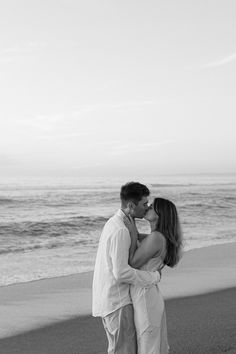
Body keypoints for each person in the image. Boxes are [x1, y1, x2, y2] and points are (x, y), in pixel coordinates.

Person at [92, 182, 161, 354]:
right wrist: (153, 277)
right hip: (118, 302)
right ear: (131, 205)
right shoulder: (121, 230)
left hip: (109, 300)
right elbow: (121, 272)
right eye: (144, 204)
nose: (146, 208)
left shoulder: (114, 223)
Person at [124, 197, 183, 354]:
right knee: (150, 345)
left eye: (151, 206)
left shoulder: (156, 238)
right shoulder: (156, 237)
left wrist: (131, 230)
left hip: (145, 298)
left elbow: (132, 262)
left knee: (148, 346)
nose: (147, 207)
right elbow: (135, 239)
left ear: (160, 214)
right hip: (149, 294)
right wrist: (132, 227)